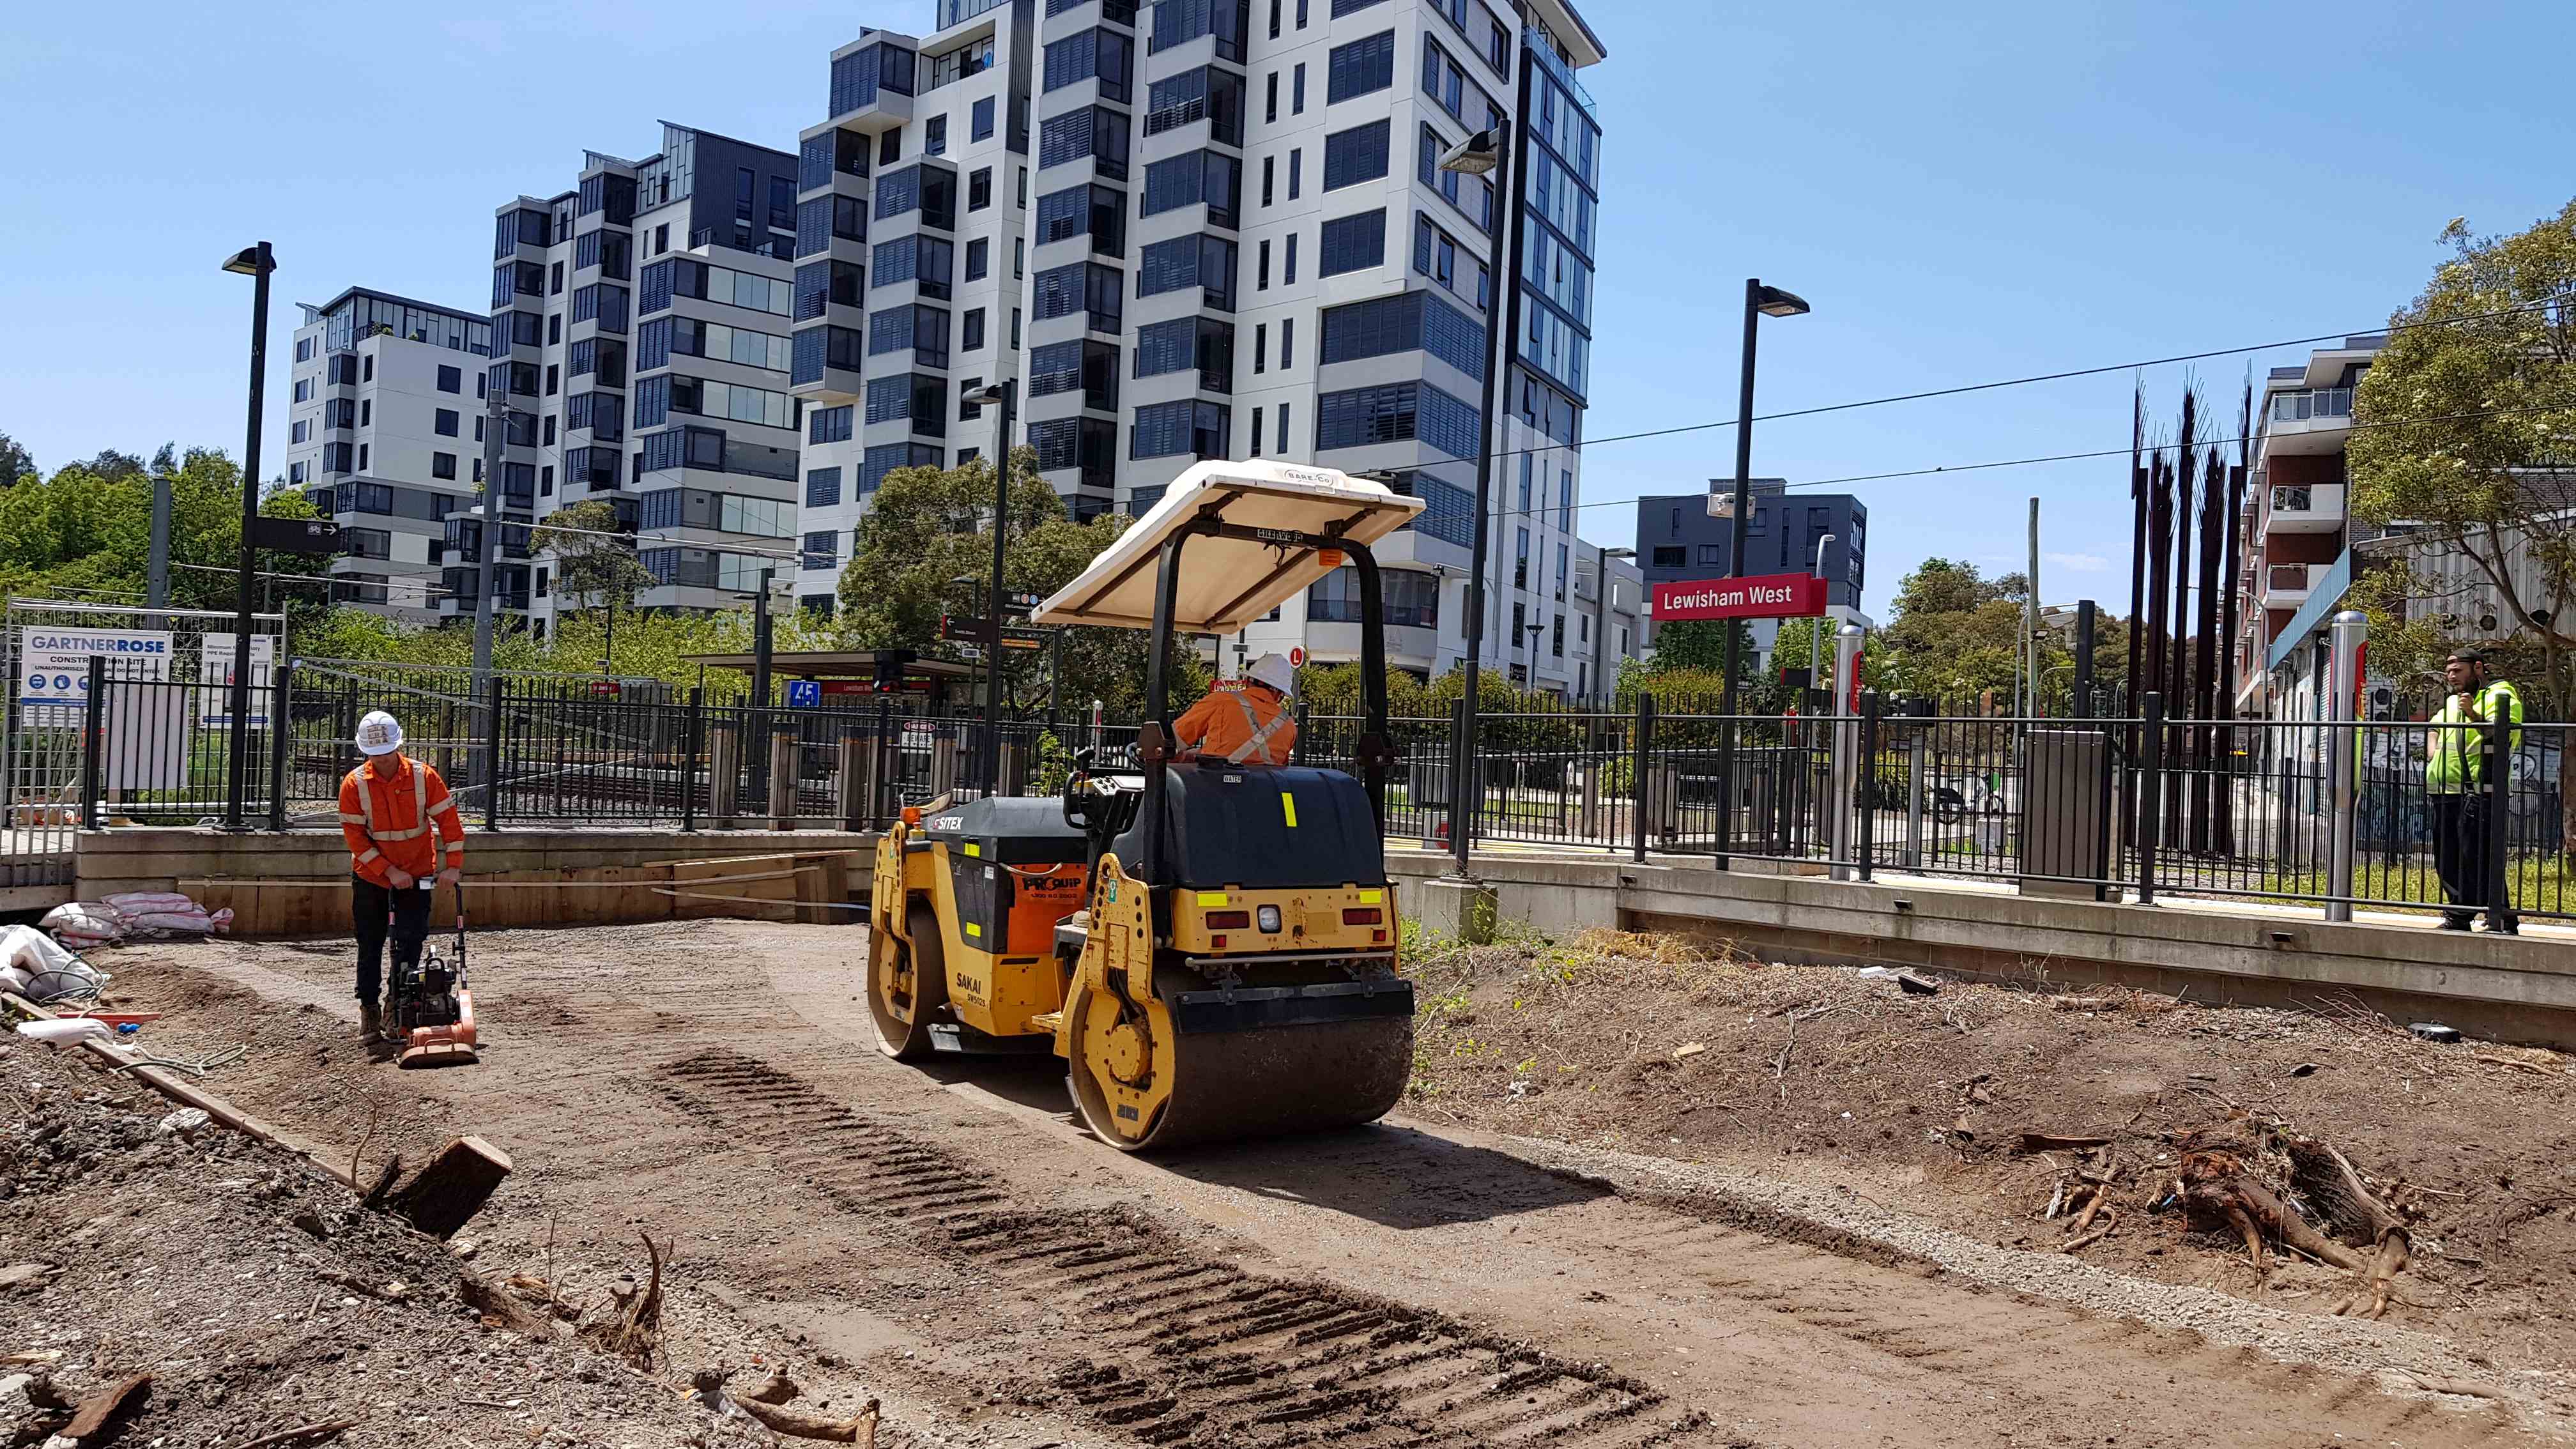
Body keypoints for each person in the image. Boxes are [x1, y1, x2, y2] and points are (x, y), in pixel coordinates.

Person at [338, 710, 466, 1040]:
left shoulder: (424, 778)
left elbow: (449, 824)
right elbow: (355, 838)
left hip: (418, 873)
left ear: (398, 746)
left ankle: (399, 1002)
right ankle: (369, 1009)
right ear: (365, 752)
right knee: (370, 944)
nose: (381, 760)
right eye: (374, 754)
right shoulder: (355, 784)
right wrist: (389, 870)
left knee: (410, 942)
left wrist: (452, 865)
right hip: (372, 878)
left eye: (386, 753)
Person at [2425, 648, 2522, 933]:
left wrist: (2473, 713)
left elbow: (2501, 732)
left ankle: (2478, 917)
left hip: (2479, 789)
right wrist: (2432, 751)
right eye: (2449, 670)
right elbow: (2434, 725)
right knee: (2449, 857)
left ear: (2478, 668)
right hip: (2445, 789)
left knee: (2476, 856)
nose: (2451, 676)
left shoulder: (2499, 694)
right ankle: (2487, 916)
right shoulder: (2454, 702)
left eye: (2458, 670)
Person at [1171, 653, 1299, 765]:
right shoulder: (1289, 725)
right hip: (1265, 791)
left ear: (1248, 681)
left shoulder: (1220, 701)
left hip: (1214, 788)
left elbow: (1171, 740)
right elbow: (1266, 761)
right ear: (1279, 695)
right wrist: (1196, 754)